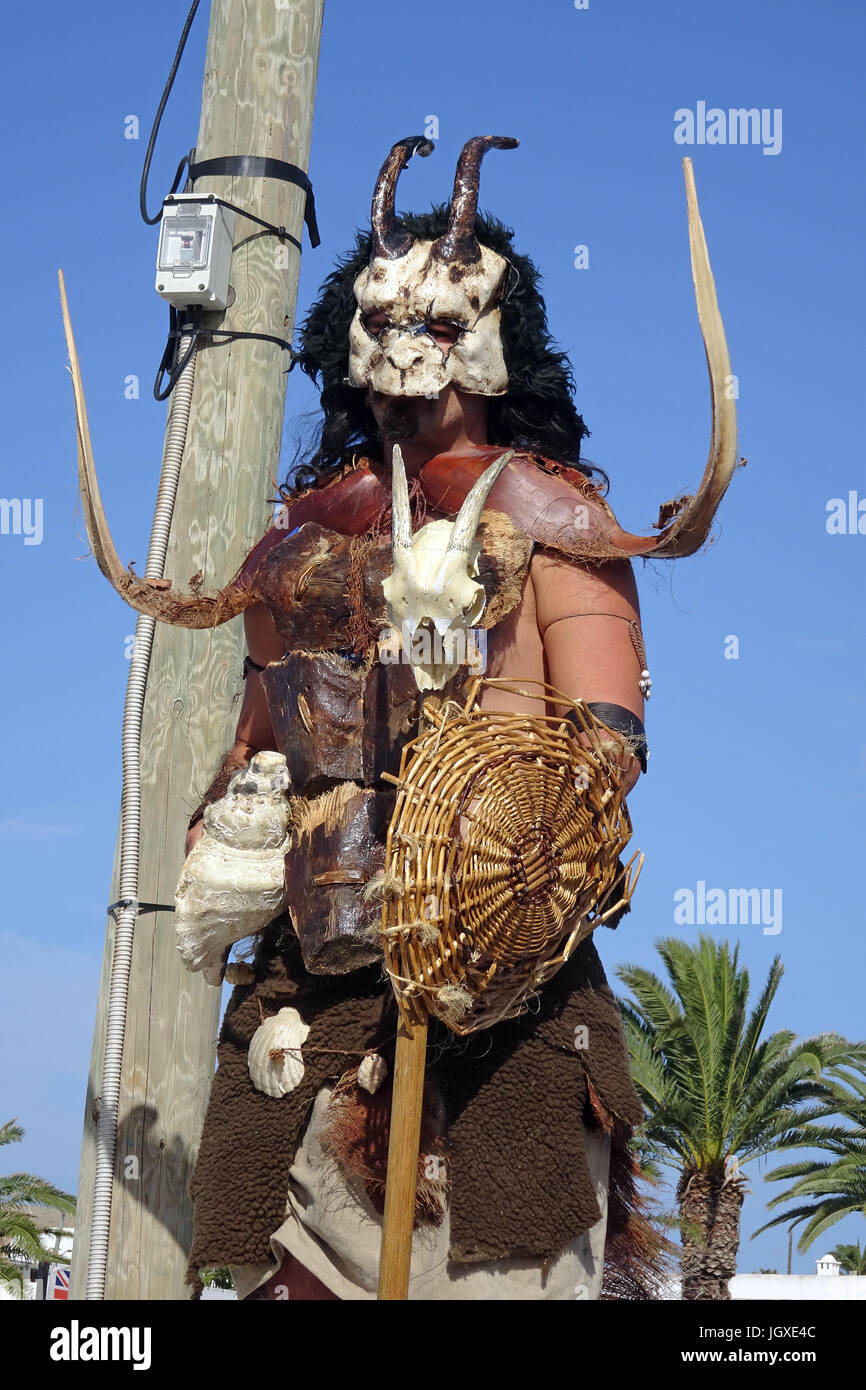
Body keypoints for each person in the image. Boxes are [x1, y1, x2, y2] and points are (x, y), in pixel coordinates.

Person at [71, 134, 737, 1300]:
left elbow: (606, 741)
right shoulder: (299, 546)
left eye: (439, 325)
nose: (409, 350)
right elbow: (255, 746)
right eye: (387, 325)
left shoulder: (552, 521)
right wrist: (230, 828)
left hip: (503, 1015)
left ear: (489, 342)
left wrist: (481, 843)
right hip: (319, 1006)